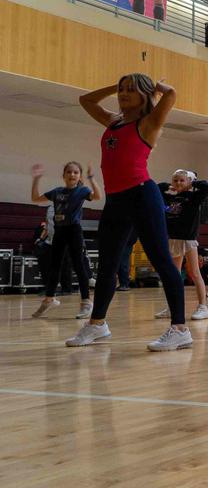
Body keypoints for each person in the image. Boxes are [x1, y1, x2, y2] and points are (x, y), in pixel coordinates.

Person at [66, 74, 191, 351]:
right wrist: (116, 85)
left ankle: (180, 328)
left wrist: (155, 85)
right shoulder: (114, 120)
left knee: (161, 260)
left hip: (142, 197)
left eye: (130, 90)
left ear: (144, 95)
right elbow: (85, 100)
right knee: (108, 265)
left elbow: (170, 95)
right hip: (115, 201)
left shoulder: (147, 123)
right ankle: (97, 324)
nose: (123, 94)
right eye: (122, 90)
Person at [30, 162, 100, 319]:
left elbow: (97, 196)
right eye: (69, 172)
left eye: (76, 172)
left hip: (74, 231)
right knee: (55, 266)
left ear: (79, 176)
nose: (72, 174)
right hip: (59, 231)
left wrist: (91, 178)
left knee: (79, 266)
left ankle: (86, 303)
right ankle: (49, 299)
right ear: (64, 175)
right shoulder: (57, 192)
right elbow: (35, 198)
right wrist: (36, 179)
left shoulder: (82, 190)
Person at [154, 170, 208, 321]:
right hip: (173, 239)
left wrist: (192, 183)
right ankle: (172, 308)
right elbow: (155, 188)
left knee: (194, 273)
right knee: (174, 276)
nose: (178, 183)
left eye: (182, 180)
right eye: (176, 180)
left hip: (188, 239)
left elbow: (207, 188)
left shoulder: (194, 197)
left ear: (188, 182)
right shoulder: (168, 197)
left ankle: (203, 307)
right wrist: (169, 185)